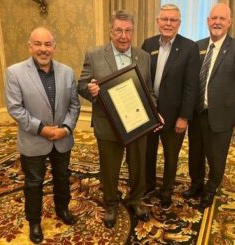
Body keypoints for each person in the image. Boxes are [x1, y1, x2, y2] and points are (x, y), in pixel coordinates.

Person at [5, 27, 80, 244]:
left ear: (54, 47)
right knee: (34, 182)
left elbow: (74, 105)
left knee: (62, 177)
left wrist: (65, 128)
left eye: (48, 44)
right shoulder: (15, 72)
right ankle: (34, 221)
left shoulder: (67, 71)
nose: (43, 49)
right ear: (30, 46)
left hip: (62, 138)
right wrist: (43, 129)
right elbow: (15, 108)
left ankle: (62, 209)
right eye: (38, 44)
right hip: (34, 139)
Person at [77, 10, 152, 229]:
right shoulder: (94, 55)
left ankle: (136, 199)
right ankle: (110, 204)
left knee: (138, 165)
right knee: (109, 168)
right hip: (107, 124)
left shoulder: (144, 57)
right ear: (111, 32)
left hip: (137, 123)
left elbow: (149, 91)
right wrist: (90, 90)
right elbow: (81, 85)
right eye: (118, 30)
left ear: (133, 32)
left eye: (128, 31)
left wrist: (153, 111)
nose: (123, 36)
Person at [182, 3, 235, 209]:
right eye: (214, 18)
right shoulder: (197, 46)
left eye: (222, 19)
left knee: (216, 157)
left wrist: (231, 104)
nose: (217, 22)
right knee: (195, 153)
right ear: (207, 21)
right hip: (197, 113)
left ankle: (210, 189)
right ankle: (196, 184)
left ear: (229, 23)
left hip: (221, 115)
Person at [141, 4, 200, 210]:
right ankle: (148, 185)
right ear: (158, 21)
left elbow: (191, 86)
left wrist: (184, 117)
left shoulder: (189, 48)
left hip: (174, 115)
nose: (168, 23)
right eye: (164, 19)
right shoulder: (148, 44)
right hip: (150, 113)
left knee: (170, 156)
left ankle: (166, 192)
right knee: (148, 152)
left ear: (179, 23)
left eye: (173, 20)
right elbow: (141, 79)